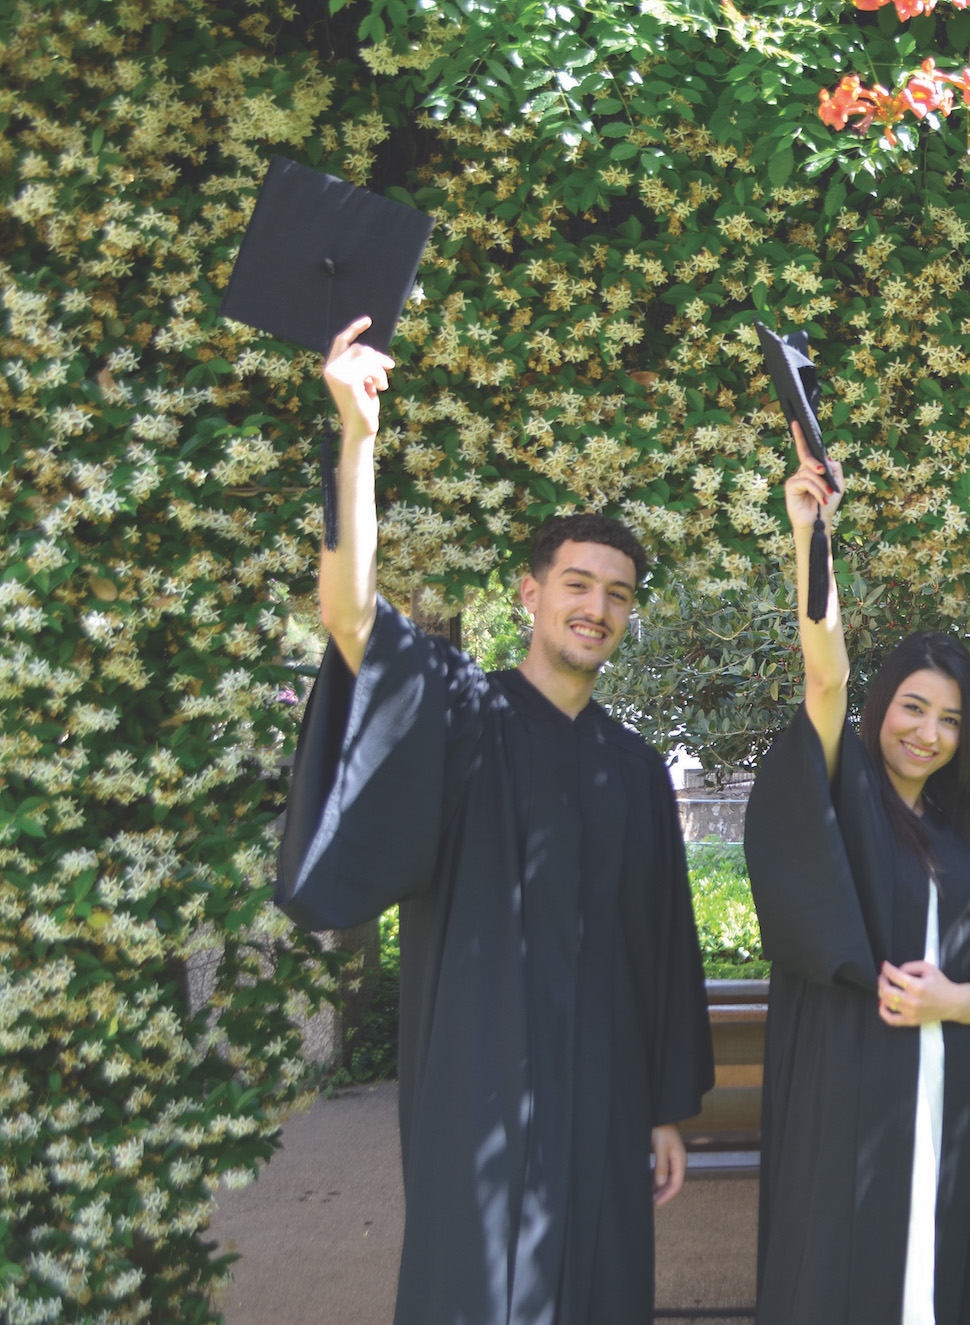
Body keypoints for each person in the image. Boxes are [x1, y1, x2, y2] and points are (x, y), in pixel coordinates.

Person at [275, 315, 715, 1325]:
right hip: (477, 1072)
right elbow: (349, 614)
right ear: (529, 594)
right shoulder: (458, 714)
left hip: (605, 1093)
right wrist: (356, 437)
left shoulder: (635, 766)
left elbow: (659, 946)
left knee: (600, 1287)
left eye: (616, 595)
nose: (595, 609)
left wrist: (661, 1109)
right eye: (576, 585)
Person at [742, 426, 970, 1325]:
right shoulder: (842, 800)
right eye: (911, 707)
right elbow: (824, 669)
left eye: (949, 719)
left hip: (957, 1110)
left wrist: (955, 1001)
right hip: (850, 1093)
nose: (926, 731)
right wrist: (814, 537)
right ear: (881, 707)